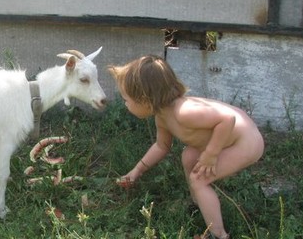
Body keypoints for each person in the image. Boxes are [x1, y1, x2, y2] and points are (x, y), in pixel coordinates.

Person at [108, 55, 264, 239]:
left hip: (246, 143)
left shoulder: (185, 112)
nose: (125, 104)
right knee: (188, 156)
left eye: (126, 99)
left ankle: (218, 235)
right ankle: (199, 202)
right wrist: (137, 171)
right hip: (230, 139)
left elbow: (227, 119)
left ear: (145, 100)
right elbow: (161, 146)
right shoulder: (162, 116)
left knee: (199, 180)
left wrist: (211, 154)